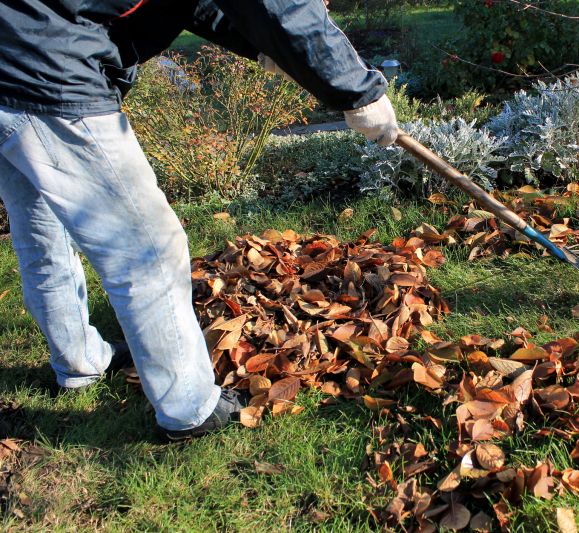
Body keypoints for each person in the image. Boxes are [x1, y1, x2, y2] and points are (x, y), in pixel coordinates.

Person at [0, 0, 399, 440]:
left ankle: (79, 362)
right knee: (147, 249)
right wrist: (357, 92)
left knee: (42, 234)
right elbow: (279, 4)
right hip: (43, 70)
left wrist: (262, 47)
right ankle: (190, 409)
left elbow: (196, 3)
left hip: (15, 51)